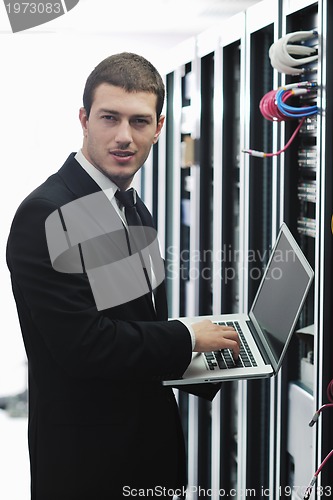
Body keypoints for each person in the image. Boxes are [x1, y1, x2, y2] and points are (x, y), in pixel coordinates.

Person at [6, 52, 240, 499]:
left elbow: (135, 328)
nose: (123, 137)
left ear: (159, 127)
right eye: (109, 118)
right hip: (90, 465)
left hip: (142, 448)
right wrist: (188, 338)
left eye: (139, 121)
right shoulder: (47, 213)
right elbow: (85, 345)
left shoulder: (129, 205)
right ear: (84, 119)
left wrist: (214, 356)